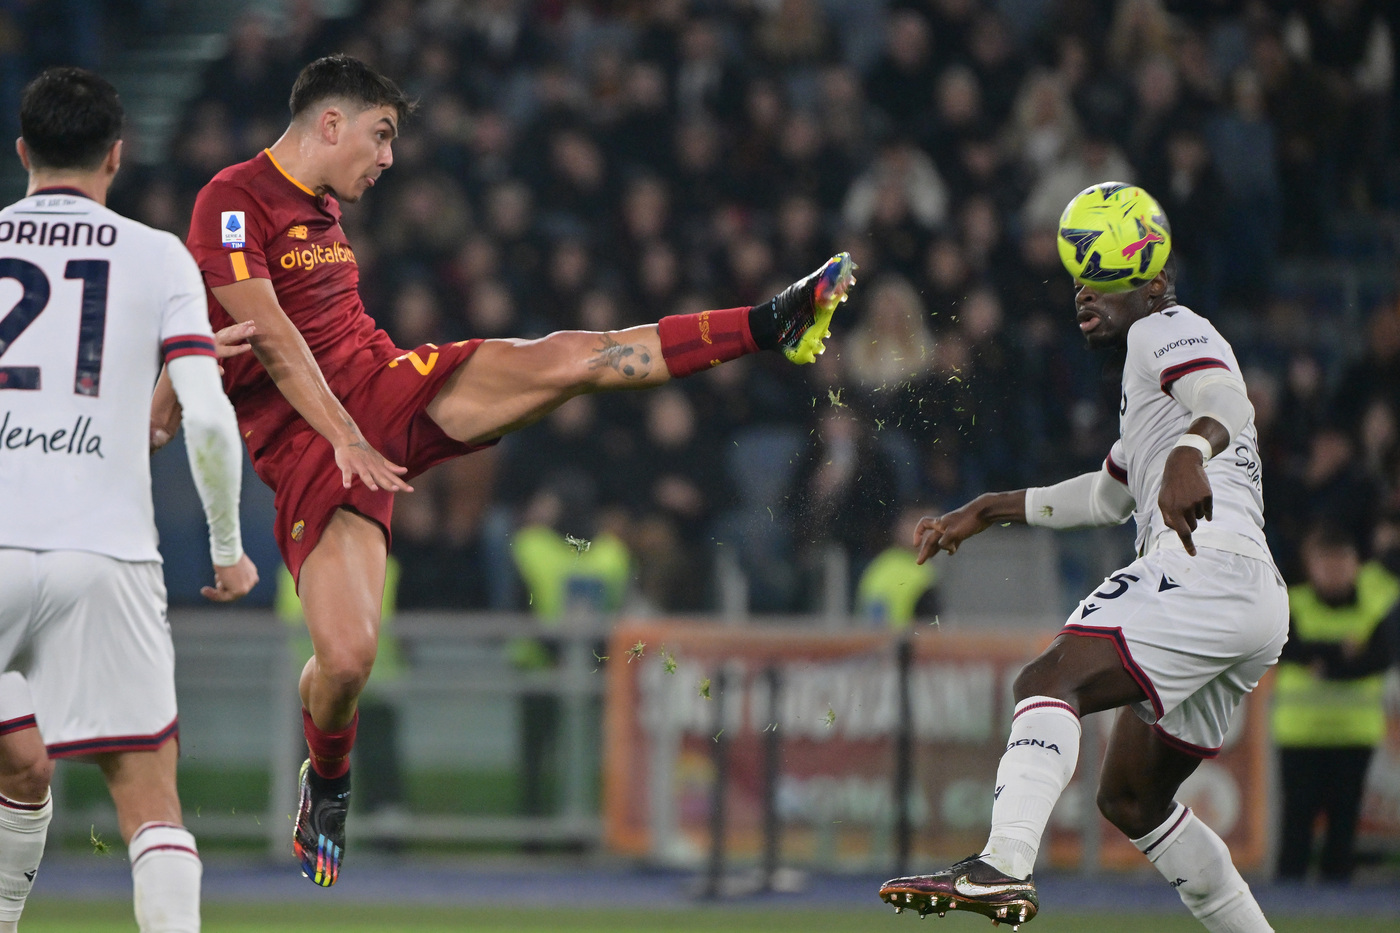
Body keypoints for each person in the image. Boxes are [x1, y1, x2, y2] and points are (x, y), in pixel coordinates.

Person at [159, 54, 856, 887]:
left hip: (382, 395)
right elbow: (266, 331)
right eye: (380, 136)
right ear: (330, 122)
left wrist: (304, 407)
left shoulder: (326, 213)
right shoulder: (233, 197)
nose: (388, 157)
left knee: (568, 357)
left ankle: (767, 322)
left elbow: (270, 333)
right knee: (346, 661)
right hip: (314, 446)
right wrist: (194, 391)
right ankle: (329, 780)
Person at [879, 250, 1287, 933]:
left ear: (1155, 285)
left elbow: (1229, 401)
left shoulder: (1166, 328)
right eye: (1077, 280)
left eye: (1101, 279)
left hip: (1202, 568)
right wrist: (984, 508)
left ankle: (1004, 862)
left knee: (1047, 681)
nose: (1082, 293)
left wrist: (1190, 453)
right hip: (1252, 598)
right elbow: (1104, 497)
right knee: (1132, 799)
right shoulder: (1155, 395)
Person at [0, 68, 257, 932]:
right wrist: (226, 545)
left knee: (18, 765)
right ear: (119, 153)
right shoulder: (158, 257)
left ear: (23, 150)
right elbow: (212, 424)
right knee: (149, 803)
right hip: (106, 555)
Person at [1273, 521, 1400, 883]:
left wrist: (1320, 664)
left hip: (1353, 735)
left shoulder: (1376, 602)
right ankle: (1286, 908)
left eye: (1340, 561)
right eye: (1325, 562)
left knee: (1343, 829)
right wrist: (1340, 655)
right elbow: (1285, 649)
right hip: (1300, 736)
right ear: (1310, 565)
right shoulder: (1291, 601)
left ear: (1356, 563)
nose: (1333, 571)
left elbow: (1381, 657)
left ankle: (1336, 908)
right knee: (1296, 825)